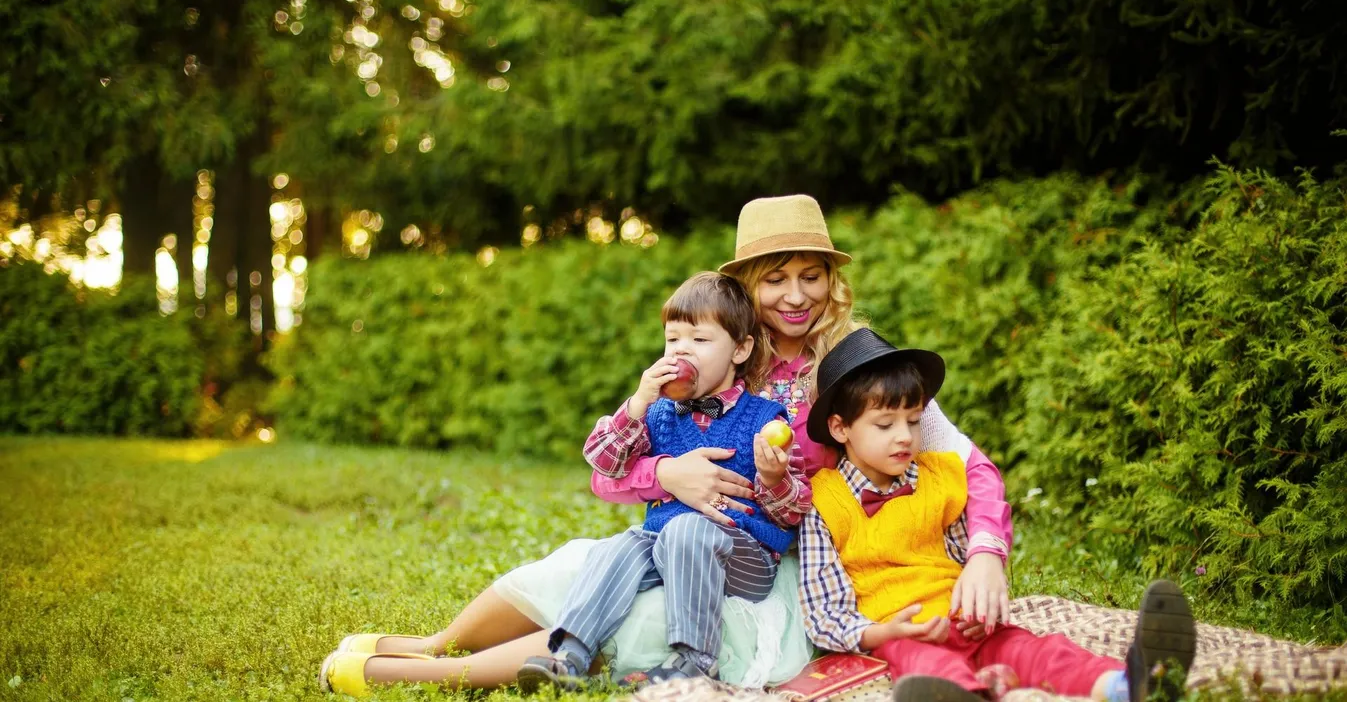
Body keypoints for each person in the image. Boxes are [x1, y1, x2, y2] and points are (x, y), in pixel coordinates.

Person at [318, 195, 1012, 695]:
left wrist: (985, 554)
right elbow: (610, 473)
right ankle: (432, 643)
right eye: (773, 277)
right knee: (580, 569)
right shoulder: (707, 355)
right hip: (680, 529)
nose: (794, 295)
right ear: (743, 286)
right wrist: (668, 472)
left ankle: (429, 673)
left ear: (833, 280)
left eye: (811, 274)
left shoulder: (859, 365)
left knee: (641, 615)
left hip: (786, 564)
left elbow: (965, 465)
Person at [798, 327, 1198, 702]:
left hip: (967, 622)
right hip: (904, 632)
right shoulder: (823, 501)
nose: (904, 435)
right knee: (928, 668)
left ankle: (1130, 683)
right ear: (840, 428)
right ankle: (965, 694)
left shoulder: (941, 476)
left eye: (914, 420)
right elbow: (825, 611)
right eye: (885, 424)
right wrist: (883, 631)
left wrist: (978, 609)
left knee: (1036, 650)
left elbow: (963, 558)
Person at [515, 271, 811, 692]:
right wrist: (637, 404)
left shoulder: (766, 419)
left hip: (744, 557)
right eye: (673, 340)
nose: (681, 351)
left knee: (688, 529)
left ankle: (695, 660)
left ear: (740, 349)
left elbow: (794, 510)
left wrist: (774, 477)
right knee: (619, 545)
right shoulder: (656, 413)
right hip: (666, 545)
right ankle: (570, 655)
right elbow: (604, 463)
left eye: (699, 340)